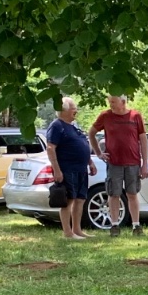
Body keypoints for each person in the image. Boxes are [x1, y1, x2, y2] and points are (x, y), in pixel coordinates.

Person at [88, 94, 148, 236]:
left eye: (113, 102)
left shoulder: (135, 116)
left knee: (132, 193)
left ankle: (136, 226)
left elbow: (143, 140)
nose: (111, 104)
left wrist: (145, 164)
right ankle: (114, 225)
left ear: (123, 102)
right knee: (113, 193)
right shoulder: (105, 116)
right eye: (110, 102)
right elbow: (91, 133)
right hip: (114, 163)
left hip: (133, 162)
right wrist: (99, 153)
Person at [43, 97, 95, 241]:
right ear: (64, 110)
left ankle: (77, 230)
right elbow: (50, 148)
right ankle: (67, 233)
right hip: (67, 169)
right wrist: (57, 170)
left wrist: (90, 162)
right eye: (73, 108)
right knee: (68, 200)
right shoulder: (56, 126)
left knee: (80, 199)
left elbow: (83, 145)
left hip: (81, 169)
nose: (76, 111)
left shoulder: (73, 126)